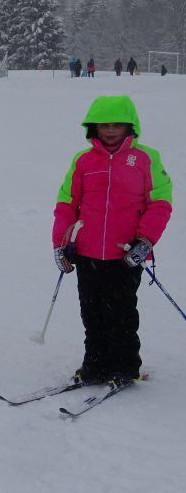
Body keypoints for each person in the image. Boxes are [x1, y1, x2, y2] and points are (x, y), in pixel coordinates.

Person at [52, 95, 172, 386]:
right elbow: (67, 203)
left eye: (117, 124)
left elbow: (160, 202)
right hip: (87, 252)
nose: (110, 130)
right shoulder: (83, 160)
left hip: (126, 253)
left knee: (121, 312)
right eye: (103, 125)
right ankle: (95, 364)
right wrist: (61, 242)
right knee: (91, 312)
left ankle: (125, 365)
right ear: (92, 127)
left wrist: (145, 241)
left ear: (130, 126)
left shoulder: (145, 158)